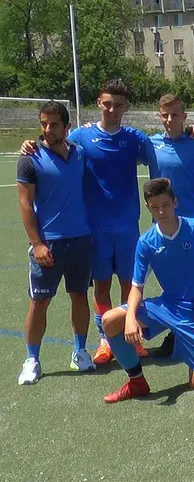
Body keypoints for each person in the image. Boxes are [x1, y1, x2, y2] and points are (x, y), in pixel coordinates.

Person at [22, 79, 152, 365]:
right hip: (94, 229)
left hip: (127, 226)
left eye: (118, 105)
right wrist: (30, 143)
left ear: (126, 107)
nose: (112, 110)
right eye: (107, 104)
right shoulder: (81, 137)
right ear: (98, 103)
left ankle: (131, 337)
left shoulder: (135, 138)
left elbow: (162, 150)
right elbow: (51, 140)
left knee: (130, 285)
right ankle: (105, 341)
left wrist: (190, 132)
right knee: (101, 287)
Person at [99, 178, 194, 403]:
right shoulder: (146, 242)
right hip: (168, 306)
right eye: (155, 207)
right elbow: (137, 287)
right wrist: (130, 318)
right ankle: (137, 382)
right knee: (110, 320)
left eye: (165, 205)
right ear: (148, 208)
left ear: (175, 202)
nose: (161, 212)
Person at [16, 100, 95, 384]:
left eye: (54, 124)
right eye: (44, 124)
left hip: (81, 239)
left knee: (79, 296)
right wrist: (36, 243)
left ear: (67, 126)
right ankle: (32, 359)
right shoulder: (30, 157)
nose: (48, 129)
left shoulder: (79, 153)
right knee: (39, 302)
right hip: (48, 243)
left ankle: (80, 352)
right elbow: (25, 203)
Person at [148, 93, 194, 220]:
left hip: (192, 217)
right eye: (165, 115)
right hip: (162, 218)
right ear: (160, 116)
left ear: (184, 116)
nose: (169, 120)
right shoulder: (150, 144)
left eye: (174, 115)